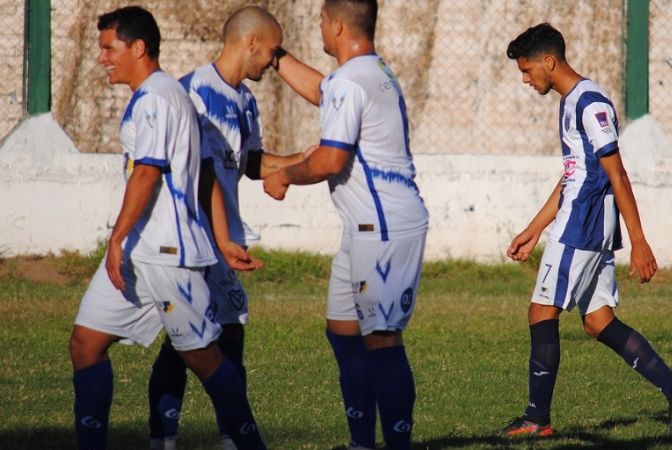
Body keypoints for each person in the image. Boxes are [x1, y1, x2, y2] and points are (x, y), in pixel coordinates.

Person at [68, 6, 267, 450]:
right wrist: (222, 239)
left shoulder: (159, 97)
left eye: (109, 48)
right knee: (84, 344)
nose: (102, 58)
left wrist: (116, 238)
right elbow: (206, 174)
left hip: (167, 254)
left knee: (203, 357)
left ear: (138, 48)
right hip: (140, 252)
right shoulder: (163, 94)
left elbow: (147, 173)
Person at [500, 23, 672, 438]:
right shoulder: (570, 102)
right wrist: (534, 228)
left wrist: (639, 240)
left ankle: (537, 419)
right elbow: (575, 174)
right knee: (597, 321)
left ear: (548, 61)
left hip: (582, 225)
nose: (525, 80)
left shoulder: (589, 103)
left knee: (541, 311)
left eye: (527, 70)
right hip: (583, 222)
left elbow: (617, 173)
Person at [263, 1, 428, 448]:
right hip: (364, 228)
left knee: (382, 340)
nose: (318, 26)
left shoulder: (351, 81)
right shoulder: (368, 72)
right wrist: (277, 57)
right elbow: (324, 91)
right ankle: (361, 442)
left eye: (320, 20)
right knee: (343, 331)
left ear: (337, 25)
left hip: (385, 227)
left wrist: (284, 176)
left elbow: (331, 159)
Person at [145, 6, 306, 450]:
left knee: (207, 335)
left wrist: (301, 161)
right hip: (193, 237)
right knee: (197, 339)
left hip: (223, 241)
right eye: (272, 52)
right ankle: (193, 437)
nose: (274, 62)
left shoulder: (245, 101)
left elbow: (249, 163)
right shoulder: (192, 92)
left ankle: (213, 437)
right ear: (251, 42)